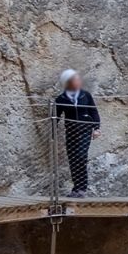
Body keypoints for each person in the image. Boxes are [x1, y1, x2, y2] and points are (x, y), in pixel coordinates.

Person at [52, 69, 100, 197]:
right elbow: (55, 117)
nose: (78, 81)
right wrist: (52, 133)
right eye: (74, 79)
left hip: (84, 130)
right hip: (71, 131)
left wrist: (96, 128)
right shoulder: (61, 99)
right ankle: (76, 188)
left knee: (81, 156)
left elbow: (93, 112)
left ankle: (82, 188)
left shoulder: (86, 95)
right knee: (73, 159)